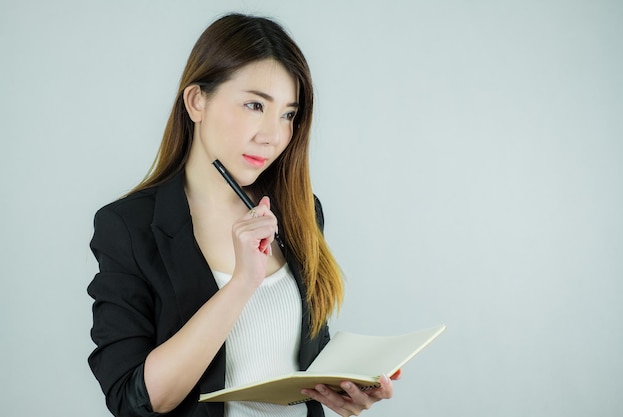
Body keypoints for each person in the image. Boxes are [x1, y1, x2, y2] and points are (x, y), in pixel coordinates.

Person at [88, 13, 396, 417]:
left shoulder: (300, 210)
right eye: (255, 105)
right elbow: (135, 399)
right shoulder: (128, 227)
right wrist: (241, 283)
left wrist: (344, 388)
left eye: (288, 114)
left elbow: (304, 355)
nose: (272, 134)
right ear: (197, 101)